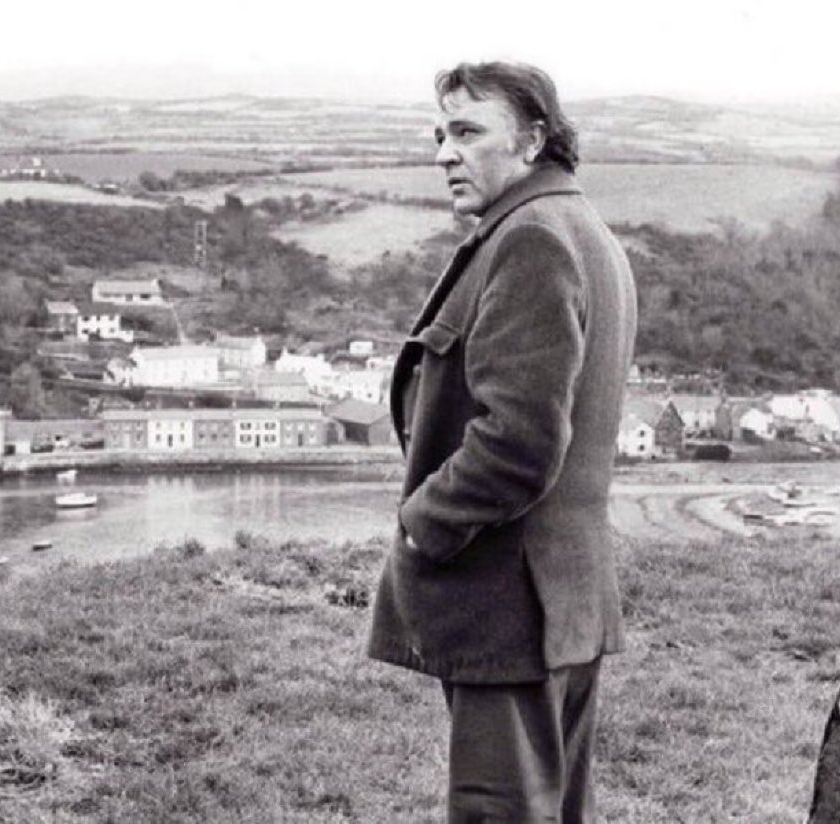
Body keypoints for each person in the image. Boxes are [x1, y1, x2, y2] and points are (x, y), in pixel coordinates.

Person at [367, 61, 637, 823]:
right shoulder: (575, 226)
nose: (443, 154)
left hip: (510, 602)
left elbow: (518, 441)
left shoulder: (532, 239)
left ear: (532, 140)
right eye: (439, 134)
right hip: (558, 597)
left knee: (502, 812)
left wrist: (423, 525)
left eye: (466, 132)